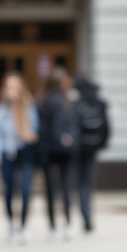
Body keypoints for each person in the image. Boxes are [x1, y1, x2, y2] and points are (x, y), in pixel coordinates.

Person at [0, 73, 39, 245]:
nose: (11, 91)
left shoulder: (29, 106)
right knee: (9, 190)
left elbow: (35, 130)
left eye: (15, 87)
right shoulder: (1, 109)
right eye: (8, 87)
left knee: (26, 189)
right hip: (7, 154)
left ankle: (24, 225)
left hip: (25, 153)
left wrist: (28, 134)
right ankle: (11, 223)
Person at [40, 66, 81, 240]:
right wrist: (68, 139)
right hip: (63, 150)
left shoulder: (43, 101)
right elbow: (70, 125)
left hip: (48, 150)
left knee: (50, 189)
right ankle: (67, 223)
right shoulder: (65, 102)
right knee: (65, 186)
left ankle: (52, 226)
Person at [74, 74, 110, 233]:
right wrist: (102, 143)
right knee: (88, 182)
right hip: (93, 147)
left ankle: (85, 213)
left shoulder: (77, 102)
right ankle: (88, 214)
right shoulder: (99, 102)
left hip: (79, 147)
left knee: (80, 183)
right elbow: (107, 125)